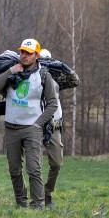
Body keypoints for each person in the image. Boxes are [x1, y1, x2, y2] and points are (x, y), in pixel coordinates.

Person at [0, 39, 58, 210]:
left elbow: (52, 104)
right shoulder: (12, 71)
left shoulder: (44, 75)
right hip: (11, 127)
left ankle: (37, 205)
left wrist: (38, 124)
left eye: (28, 53)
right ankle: (21, 202)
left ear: (36, 55)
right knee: (14, 170)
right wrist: (11, 70)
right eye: (22, 52)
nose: (24, 56)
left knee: (34, 169)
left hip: (31, 129)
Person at [39, 48, 80, 207]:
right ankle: (36, 196)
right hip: (33, 123)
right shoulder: (29, 77)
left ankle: (47, 191)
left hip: (53, 124)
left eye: (47, 61)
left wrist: (61, 66)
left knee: (56, 163)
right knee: (34, 164)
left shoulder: (57, 79)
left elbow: (75, 80)